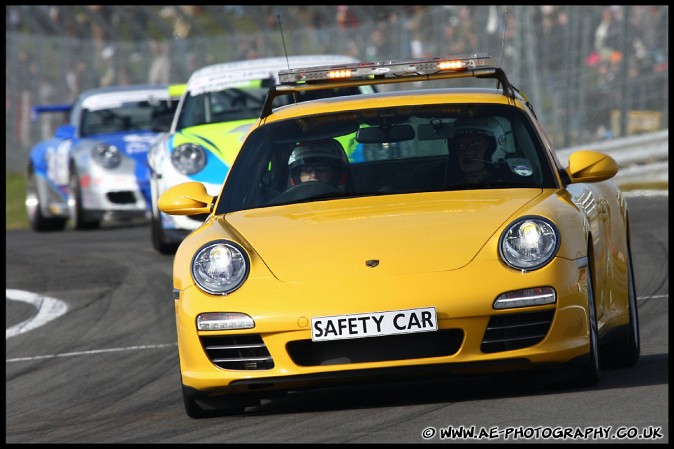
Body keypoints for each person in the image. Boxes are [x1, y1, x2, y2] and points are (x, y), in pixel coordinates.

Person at [452, 118, 512, 184]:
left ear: (493, 149)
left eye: (476, 145)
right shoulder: (442, 180)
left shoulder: (511, 184)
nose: (467, 152)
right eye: (461, 145)